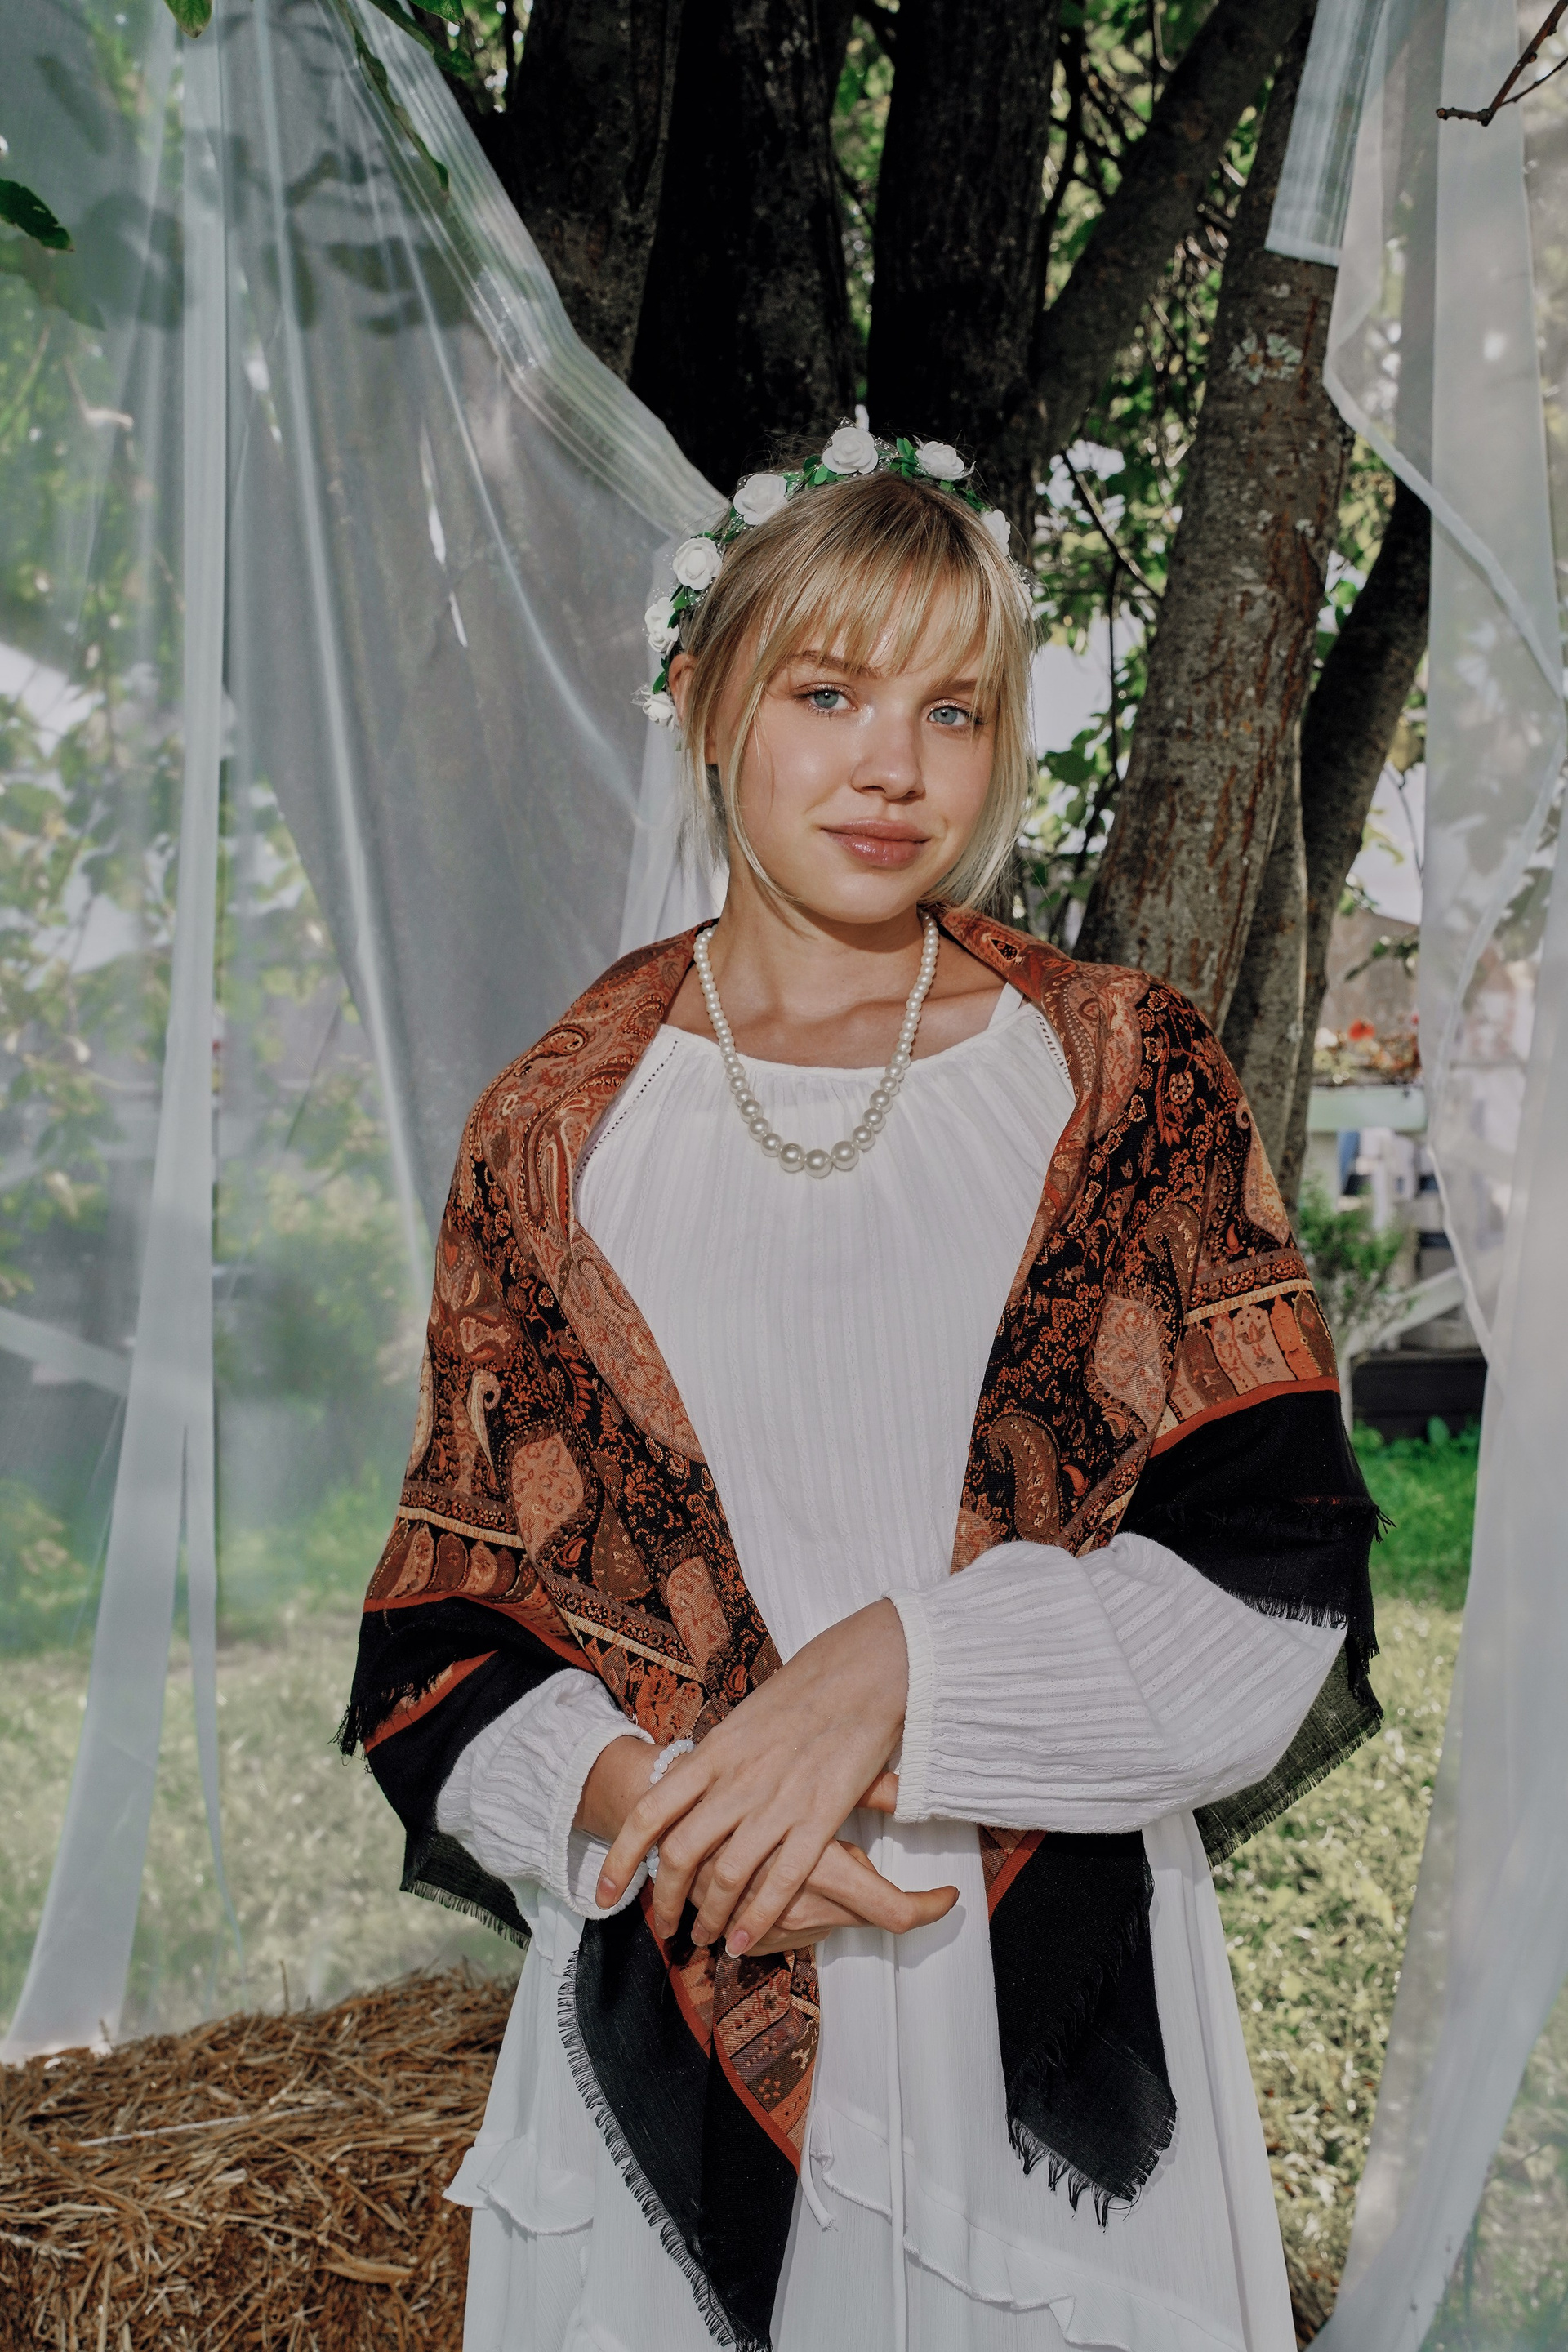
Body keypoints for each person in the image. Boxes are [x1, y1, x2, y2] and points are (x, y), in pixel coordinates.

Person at [342, 431, 1380, 2352]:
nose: (896, 767)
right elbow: (444, 1637)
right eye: (828, 693)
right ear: (705, 701)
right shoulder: (555, 1134)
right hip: (677, 1956)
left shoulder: (1123, 1087)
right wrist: (660, 1809)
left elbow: (1275, 1583)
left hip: (1026, 2022)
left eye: (953, 710)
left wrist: (899, 1668)